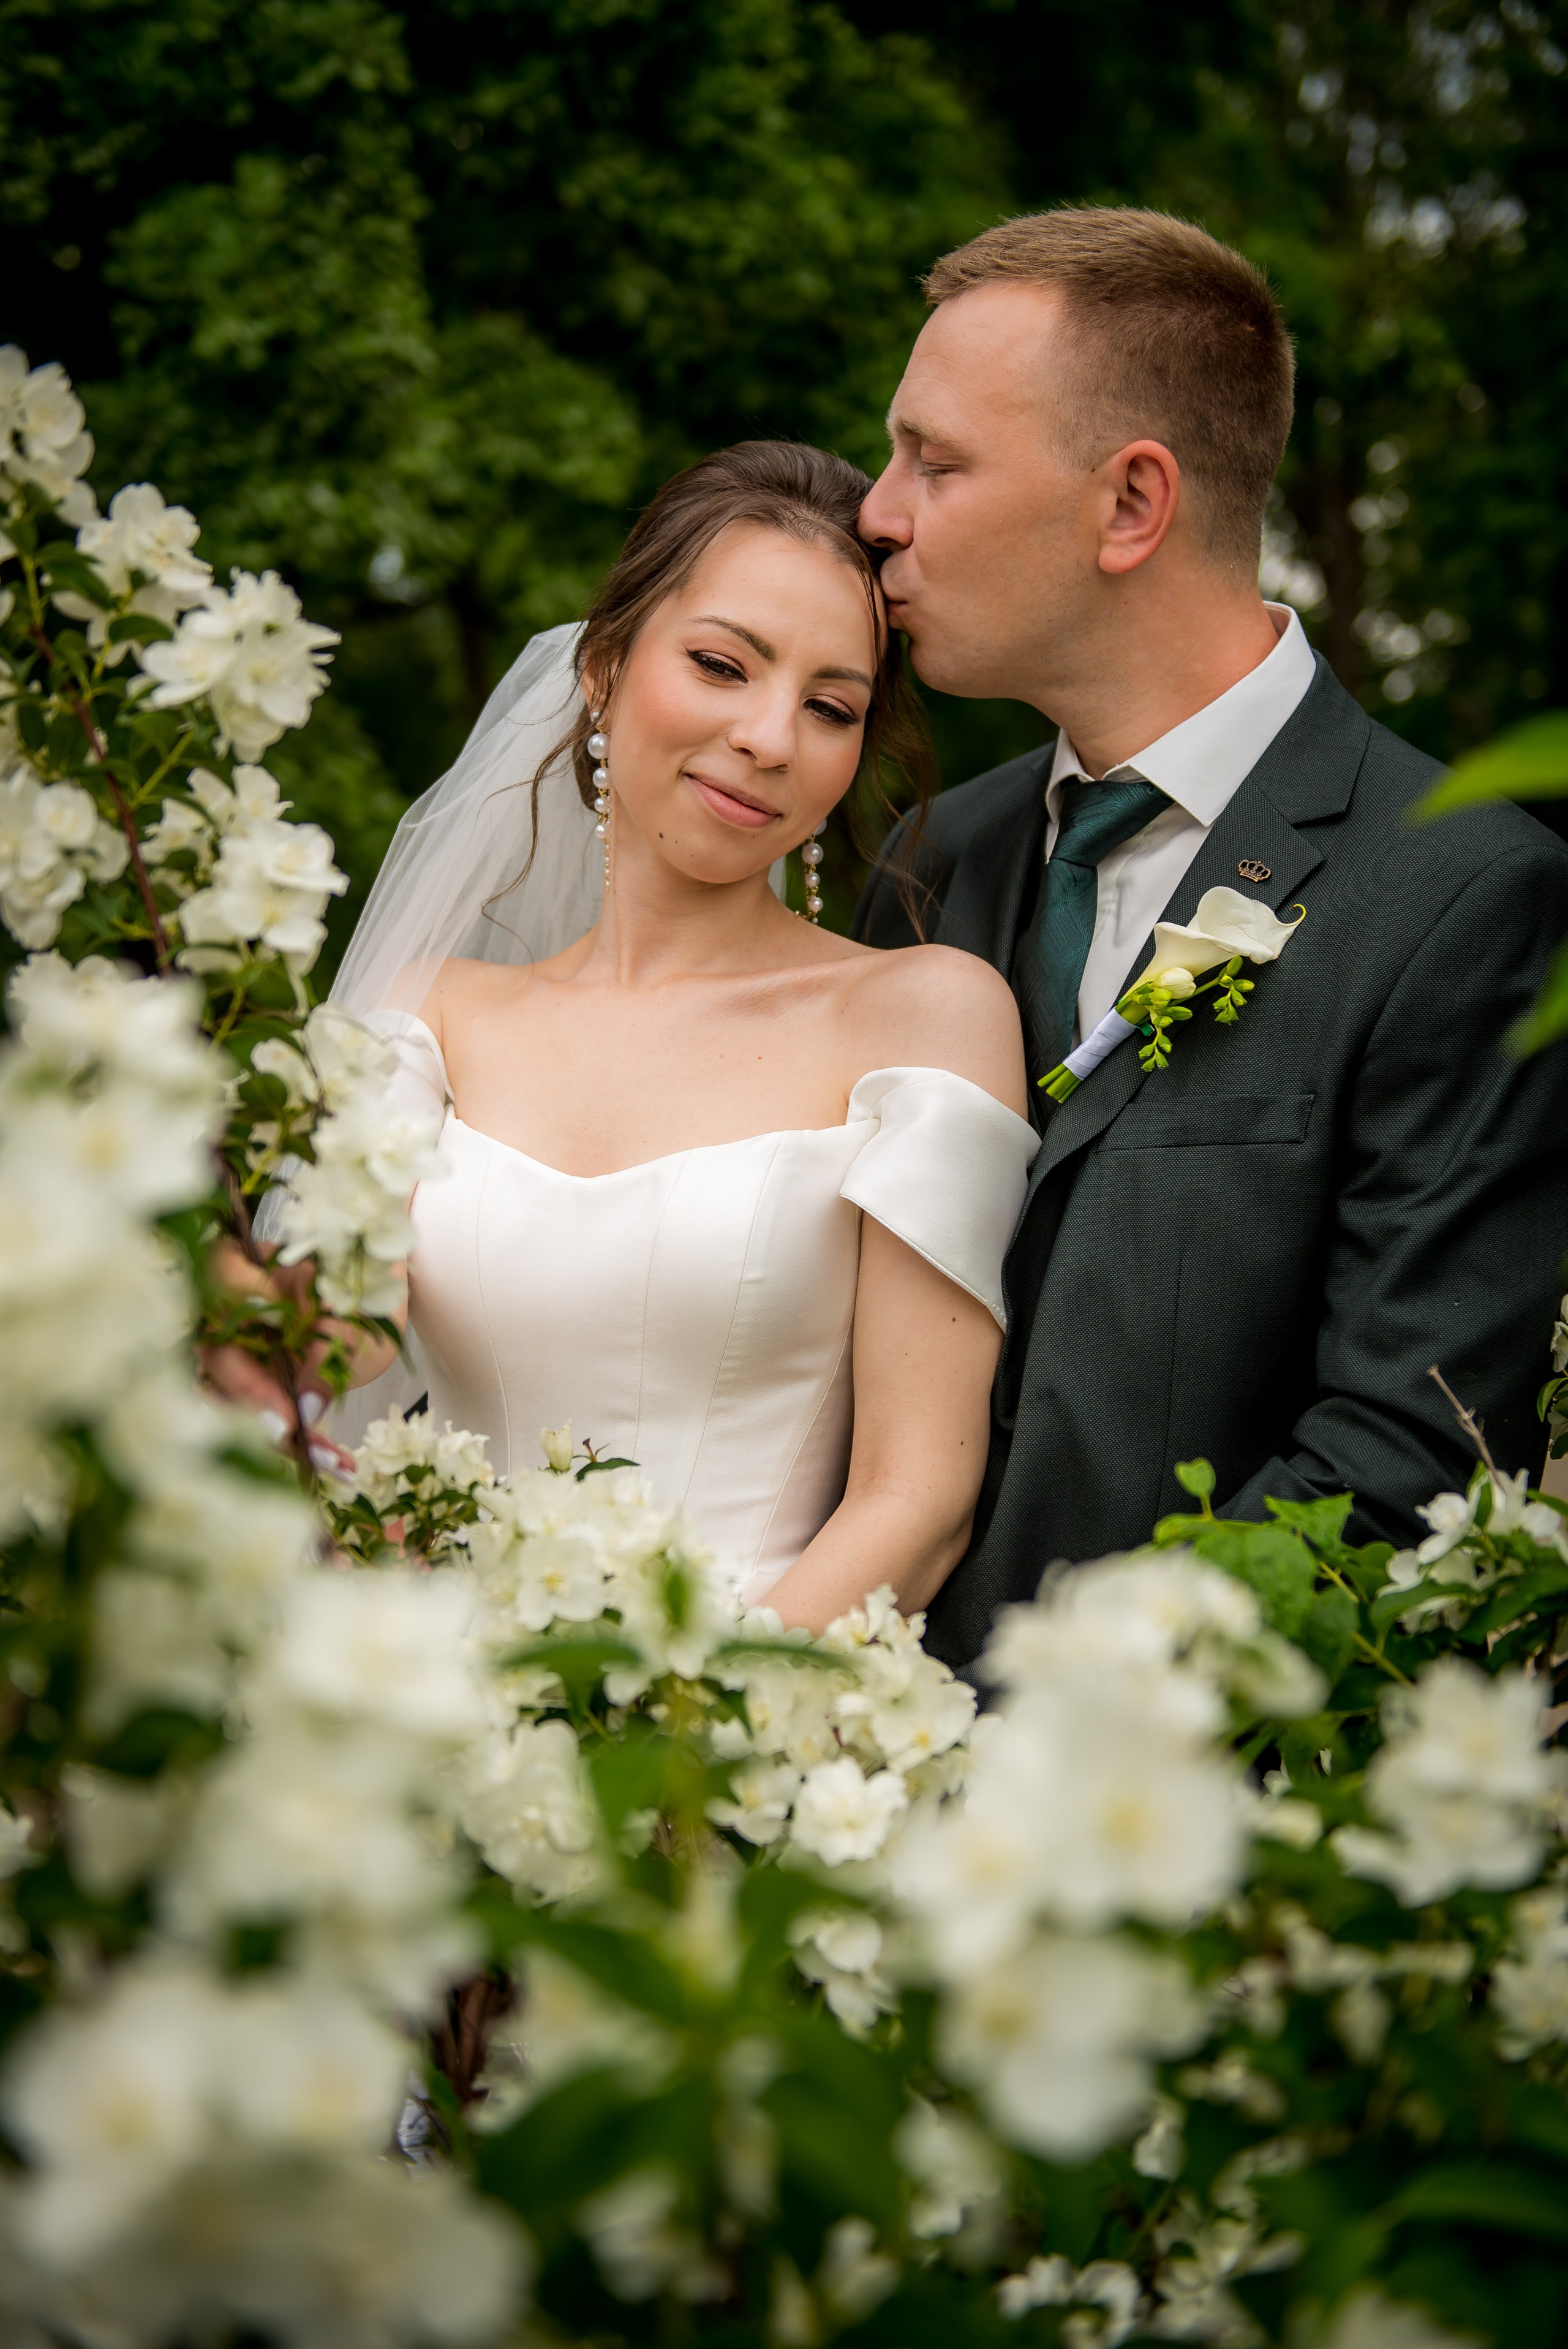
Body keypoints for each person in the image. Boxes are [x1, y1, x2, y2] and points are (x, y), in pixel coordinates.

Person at [854, 206, 1568, 1670]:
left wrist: (1044, 1740)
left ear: (1131, 505)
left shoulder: (1461, 893)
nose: (877, 511)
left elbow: (1401, 1457)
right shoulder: (930, 863)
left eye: (935, 461)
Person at [309, 442, 1038, 1632]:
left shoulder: (920, 1018)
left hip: (760, 1741)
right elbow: (321, 1367)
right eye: (719, 664)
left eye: (829, 705)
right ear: (602, 666)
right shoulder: (426, 1015)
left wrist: (684, 1746)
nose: (766, 736)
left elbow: (917, 1498)